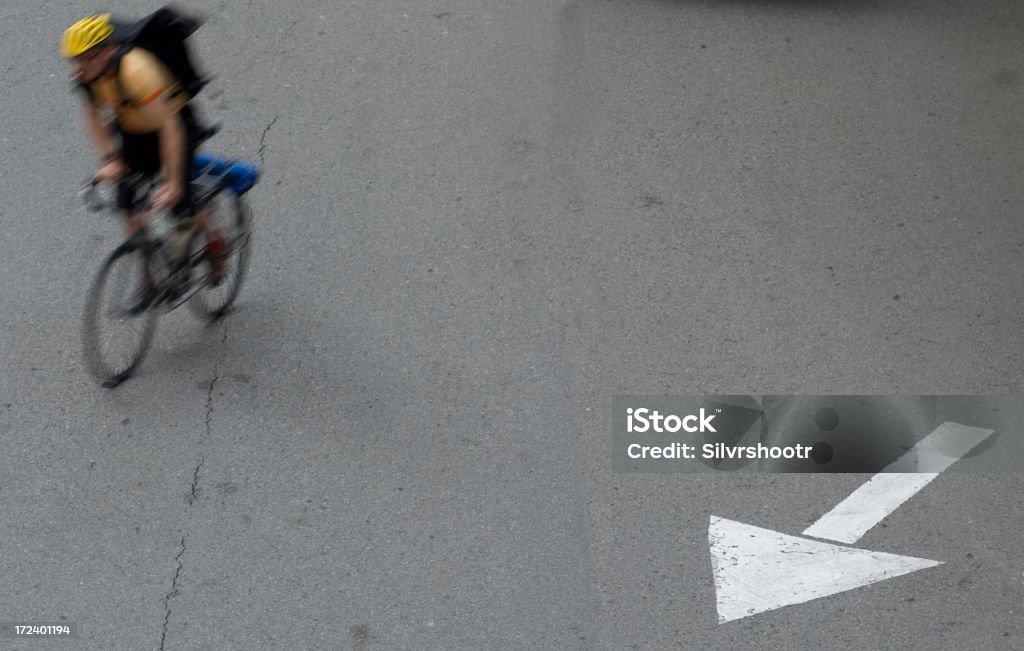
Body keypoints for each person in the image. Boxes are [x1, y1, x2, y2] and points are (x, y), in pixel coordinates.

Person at [61, 13, 228, 295]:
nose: (80, 67)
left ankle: (214, 241)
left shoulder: (136, 71)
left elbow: (169, 127)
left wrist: (173, 183)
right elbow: (93, 116)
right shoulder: (87, 77)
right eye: (75, 59)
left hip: (174, 126)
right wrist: (111, 159)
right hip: (134, 130)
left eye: (87, 58)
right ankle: (150, 275)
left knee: (180, 206)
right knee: (127, 202)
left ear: (110, 50)